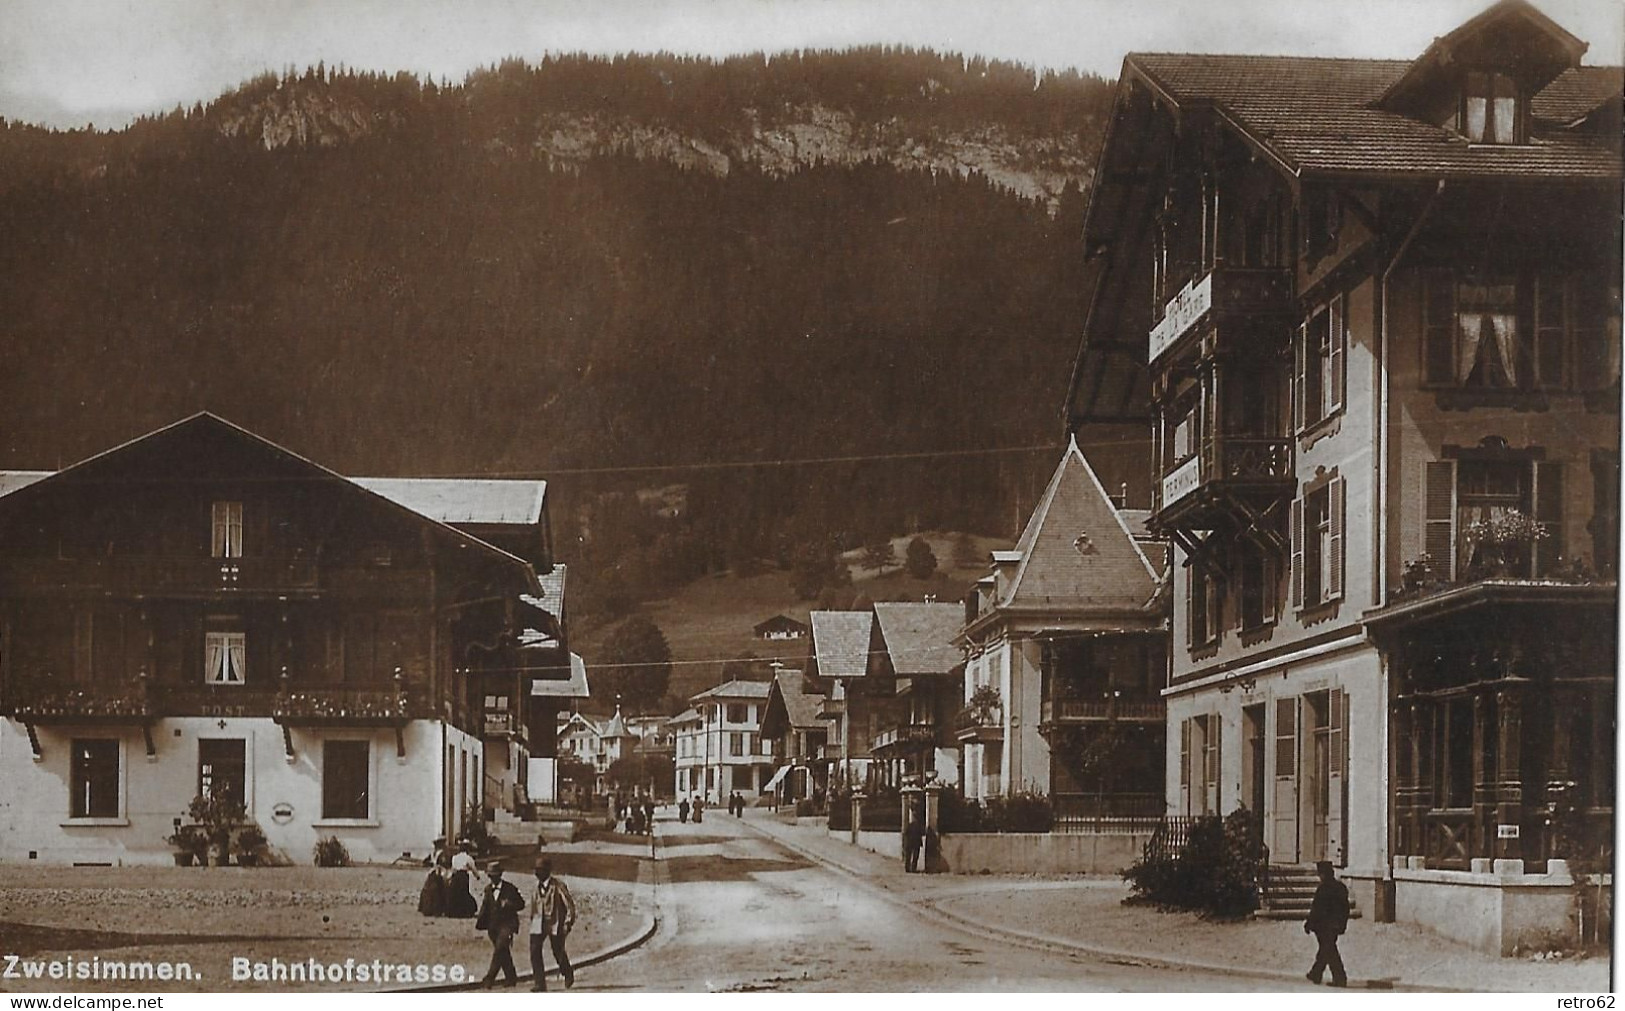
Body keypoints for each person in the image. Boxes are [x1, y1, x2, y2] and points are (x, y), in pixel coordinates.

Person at [527, 856, 577, 991]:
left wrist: (568, 923)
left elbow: (570, 906)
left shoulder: (558, 886)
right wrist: (532, 922)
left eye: (541, 870)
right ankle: (540, 984)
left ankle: (567, 973)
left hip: (555, 924)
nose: (537, 873)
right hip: (538, 924)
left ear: (548, 871)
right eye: (536, 870)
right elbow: (533, 907)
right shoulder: (535, 887)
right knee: (534, 951)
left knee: (558, 951)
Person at [475, 860, 527, 988]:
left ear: (500, 875)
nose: (492, 878)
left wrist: (510, 904)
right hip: (493, 927)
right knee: (503, 952)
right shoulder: (488, 890)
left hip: (508, 924)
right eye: (490, 876)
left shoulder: (510, 888)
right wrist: (480, 922)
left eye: (494, 875)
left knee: (499, 949)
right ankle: (511, 977)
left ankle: (489, 978)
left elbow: (521, 904)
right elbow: (485, 907)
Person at [1304, 860, 1351, 987]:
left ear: (1324, 874)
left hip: (1323, 926)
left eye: (1320, 874)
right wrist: (1342, 924)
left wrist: (1309, 923)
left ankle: (1340, 978)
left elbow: (1316, 909)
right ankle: (1316, 973)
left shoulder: (1323, 888)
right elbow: (1345, 908)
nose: (1320, 876)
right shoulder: (1340, 887)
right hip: (1335, 925)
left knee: (1329, 950)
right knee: (1327, 949)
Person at [446, 840, 479, 918]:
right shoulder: (468, 858)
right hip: (463, 877)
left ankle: (453, 911)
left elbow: (453, 869)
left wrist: (449, 878)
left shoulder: (455, 858)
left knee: (455, 894)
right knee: (463, 893)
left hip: (455, 877)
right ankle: (464, 912)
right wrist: (477, 876)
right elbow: (474, 869)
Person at [417, 849, 450, 916]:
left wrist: (431, 864)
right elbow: (445, 864)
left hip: (433, 872)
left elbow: (425, 862)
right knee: (441, 890)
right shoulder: (442, 853)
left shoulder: (433, 853)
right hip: (439, 873)